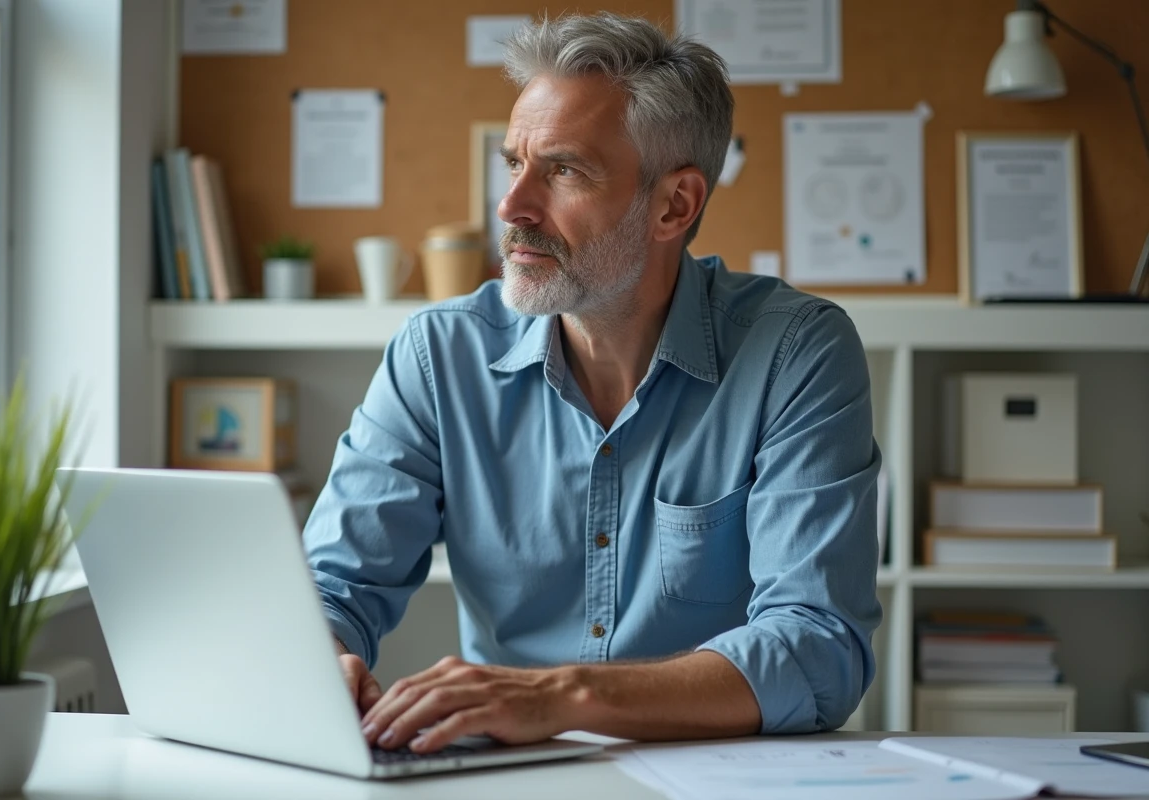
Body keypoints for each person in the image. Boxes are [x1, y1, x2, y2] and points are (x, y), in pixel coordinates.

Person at [303, 11, 882, 754]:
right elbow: (331, 587)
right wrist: (322, 659)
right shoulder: (436, 356)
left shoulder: (795, 353)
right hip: (506, 782)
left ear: (675, 204)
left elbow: (818, 648)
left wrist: (563, 697)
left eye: (564, 170)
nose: (512, 208)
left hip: (716, 780)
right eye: (514, 164)